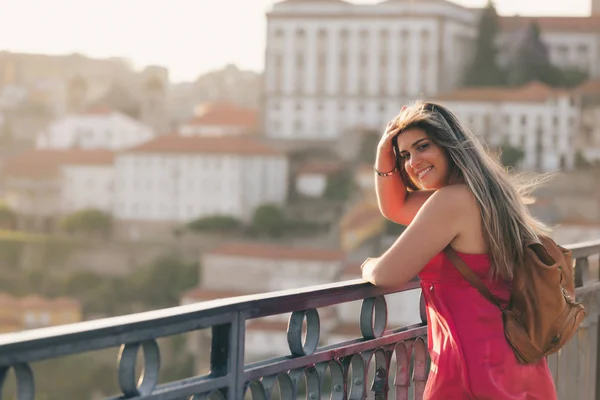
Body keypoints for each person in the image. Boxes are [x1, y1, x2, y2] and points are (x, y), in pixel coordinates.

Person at [361, 102, 557, 399]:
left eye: (422, 146)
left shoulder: (450, 202)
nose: (412, 162)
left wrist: (367, 265)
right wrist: (383, 154)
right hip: (517, 364)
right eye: (404, 155)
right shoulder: (489, 194)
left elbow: (387, 275)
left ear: (449, 145)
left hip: (473, 373)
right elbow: (396, 206)